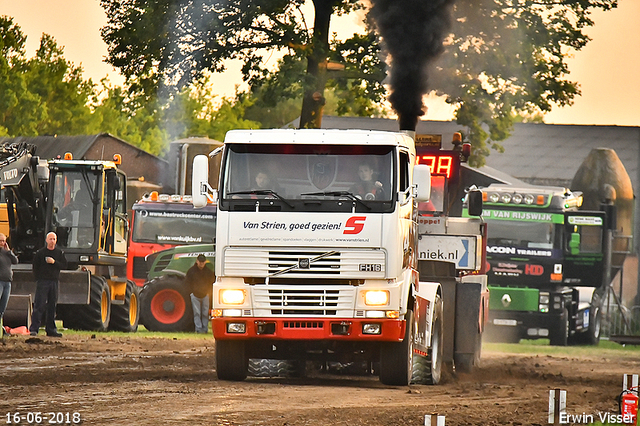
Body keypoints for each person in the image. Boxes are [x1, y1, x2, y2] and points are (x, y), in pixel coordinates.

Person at [29, 232, 68, 337]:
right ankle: (34, 329)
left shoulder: (59, 253)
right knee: (39, 305)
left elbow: (64, 265)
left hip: (54, 282)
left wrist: (54, 262)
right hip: (43, 281)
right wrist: (37, 279)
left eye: (54, 239)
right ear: (46, 240)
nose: (52, 241)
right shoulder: (40, 253)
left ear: (56, 240)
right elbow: (35, 266)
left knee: (52, 306)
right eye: (50, 239)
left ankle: (51, 330)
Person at [185, 254, 215, 334]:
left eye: (203, 262)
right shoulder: (191, 271)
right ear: (197, 261)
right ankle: (198, 329)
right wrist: (191, 292)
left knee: (205, 313)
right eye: (200, 262)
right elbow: (187, 282)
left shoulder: (208, 272)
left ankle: (204, 329)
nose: (201, 263)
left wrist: (208, 292)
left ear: (205, 262)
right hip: (195, 295)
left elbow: (211, 282)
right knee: (197, 313)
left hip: (205, 295)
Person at [0, 233, 18, 337]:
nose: (2, 243)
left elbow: (15, 261)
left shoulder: (6, 253)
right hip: (0, 281)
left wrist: (9, 251)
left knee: (2, 307)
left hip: (8, 282)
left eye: (3, 241)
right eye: (0, 241)